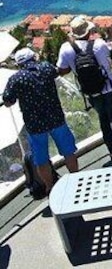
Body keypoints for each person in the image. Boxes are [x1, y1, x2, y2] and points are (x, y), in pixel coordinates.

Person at [3, 49, 78, 194]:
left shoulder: (16, 79)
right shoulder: (46, 68)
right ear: (34, 57)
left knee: (41, 159)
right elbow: (59, 72)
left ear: (19, 64)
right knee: (68, 151)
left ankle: (50, 187)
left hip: (35, 125)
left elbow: (7, 100)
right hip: (56, 118)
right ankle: (76, 178)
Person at [57, 16, 112, 162]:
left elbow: (62, 70)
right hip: (108, 88)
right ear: (88, 32)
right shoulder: (99, 44)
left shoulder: (66, 48)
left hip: (90, 92)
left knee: (103, 120)